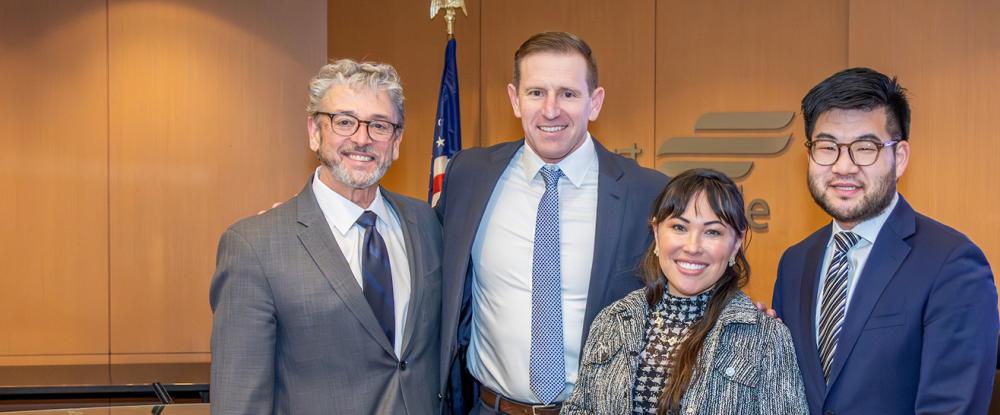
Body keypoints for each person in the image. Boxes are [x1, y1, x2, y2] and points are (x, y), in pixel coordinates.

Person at [436, 32, 669, 414]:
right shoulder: (469, 176)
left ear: (594, 103)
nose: (550, 110)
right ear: (514, 99)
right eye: (536, 93)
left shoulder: (646, 193)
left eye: (568, 94)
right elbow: (432, 275)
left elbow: (688, 287)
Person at [209, 59, 442, 414]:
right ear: (315, 132)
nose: (362, 139)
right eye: (344, 122)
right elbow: (240, 401)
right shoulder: (254, 247)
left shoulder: (425, 224)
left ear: (396, 142)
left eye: (379, 125)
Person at [770, 67, 1000, 414]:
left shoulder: (952, 264)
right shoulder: (795, 262)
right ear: (810, 155)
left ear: (900, 157)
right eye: (827, 147)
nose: (843, 167)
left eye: (865, 148)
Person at [563, 168, 808, 415]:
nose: (693, 247)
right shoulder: (613, 320)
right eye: (679, 227)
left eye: (712, 232)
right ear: (657, 233)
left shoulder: (765, 337)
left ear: (736, 243)